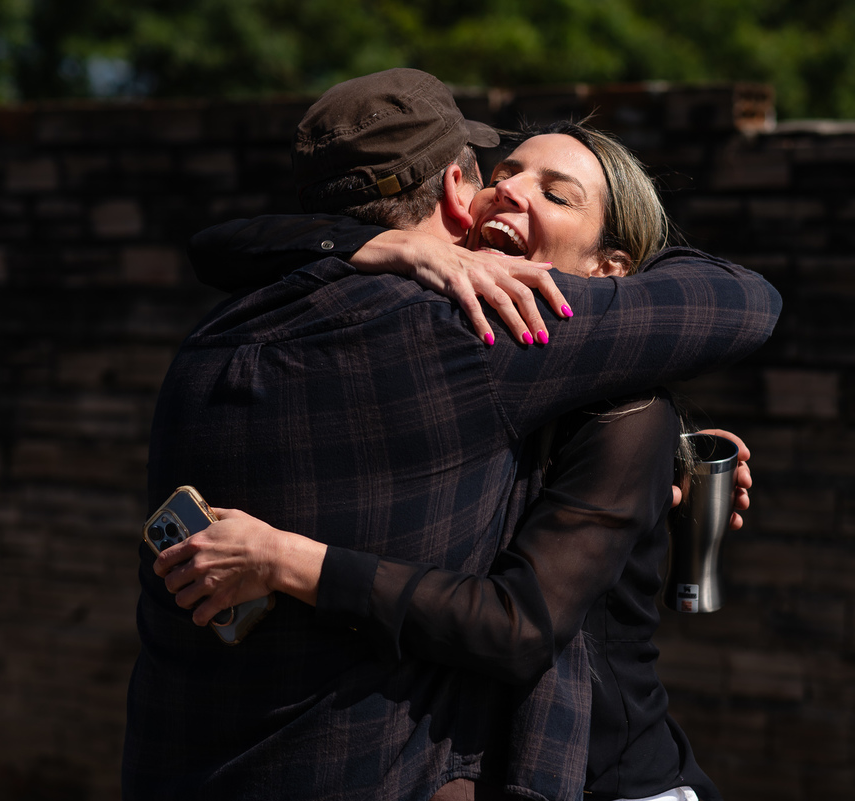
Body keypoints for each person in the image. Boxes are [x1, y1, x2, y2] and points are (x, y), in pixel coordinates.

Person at [124, 69, 780, 801]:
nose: (511, 190)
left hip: (619, 779)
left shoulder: (212, 337)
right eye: (503, 173)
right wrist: (380, 248)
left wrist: (290, 559)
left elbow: (218, 244)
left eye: (556, 193)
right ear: (454, 195)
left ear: (611, 273)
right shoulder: (475, 345)